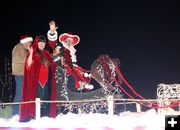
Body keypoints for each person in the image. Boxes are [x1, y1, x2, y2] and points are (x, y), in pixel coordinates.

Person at [47, 21, 94, 92]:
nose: (69, 42)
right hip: (61, 68)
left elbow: (74, 64)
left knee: (81, 75)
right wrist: (52, 32)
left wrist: (82, 72)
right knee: (72, 78)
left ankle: (83, 85)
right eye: (67, 40)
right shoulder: (60, 47)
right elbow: (52, 43)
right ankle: (79, 85)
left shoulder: (73, 52)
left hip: (72, 68)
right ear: (64, 41)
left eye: (70, 41)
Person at [19, 35, 57, 122]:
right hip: (37, 81)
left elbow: (52, 65)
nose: (42, 44)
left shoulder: (47, 53)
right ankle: (35, 115)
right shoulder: (33, 52)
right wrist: (31, 53)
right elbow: (28, 66)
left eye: (43, 42)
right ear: (36, 42)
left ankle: (44, 115)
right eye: (40, 41)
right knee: (37, 99)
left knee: (45, 98)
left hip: (47, 80)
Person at [12, 35, 33, 116]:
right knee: (19, 95)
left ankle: (22, 113)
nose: (30, 44)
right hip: (20, 75)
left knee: (23, 95)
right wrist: (29, 58)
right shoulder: (18, 47)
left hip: (24, 75)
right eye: (29, 42)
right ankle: (15, 114)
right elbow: (17, 59)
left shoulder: (24, 49)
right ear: (24, 41)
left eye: (30, 43)